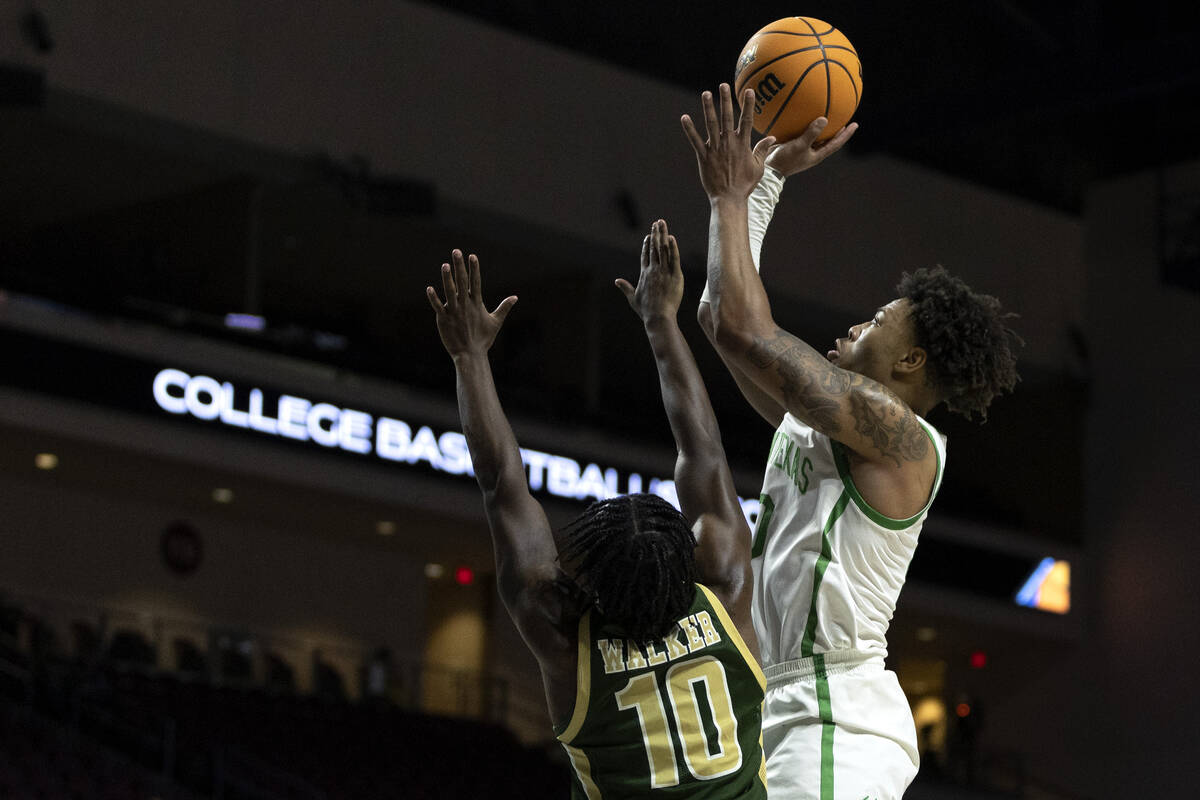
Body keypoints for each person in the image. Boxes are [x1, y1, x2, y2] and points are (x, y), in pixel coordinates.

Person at [680, 84, 1021, 800]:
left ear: (909, 364)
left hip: (836, 716)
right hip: (786, 708)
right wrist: (763, 181)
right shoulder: (824, 426)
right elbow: (720, 317)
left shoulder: (901, 440)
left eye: (872, 324)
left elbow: (746, 327)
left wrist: (735, 196)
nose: (851, 330)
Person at [426, 221, 768, 798]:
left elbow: (503, 487)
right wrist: (660, 322)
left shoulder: (567, 641)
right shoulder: (725, 588)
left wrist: (469, 357)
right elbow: (703, 453)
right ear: (687, 556)